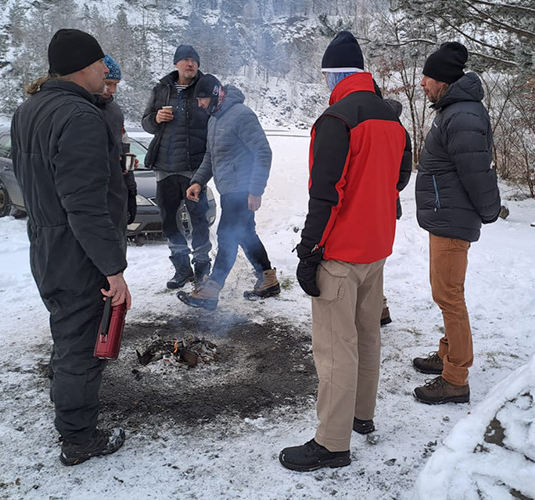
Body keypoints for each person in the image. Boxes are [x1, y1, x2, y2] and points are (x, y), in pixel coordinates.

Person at [279, 31, 411, 472]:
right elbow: (399, 180)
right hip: (377, 249)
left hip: (341, 254)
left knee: (337, 347)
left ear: (333, 74)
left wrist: (309, 251)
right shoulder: (394, 120)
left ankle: (332, 443)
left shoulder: (336, 119)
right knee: (367, 334)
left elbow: (325, 195)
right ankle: (361, 415)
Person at [10, 28, 131, 466]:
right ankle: (79, 438)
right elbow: (85, 206)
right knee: (82, 341)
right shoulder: (79, 118)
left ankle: (67, 404)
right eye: (101, 64)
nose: (106, 71)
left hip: (46, 242)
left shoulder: (29, 109)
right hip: (78, 250)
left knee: (66, 330)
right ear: (83, 66)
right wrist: (114, 270)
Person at [411, 42, 500, 405]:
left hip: (452, 219)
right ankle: (447, 353)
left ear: (444, 80)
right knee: (444, 293)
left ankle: (455, 377)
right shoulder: (454, 110)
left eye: (427, 77)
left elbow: (476, 172)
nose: (422, 84)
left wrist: (489, 210)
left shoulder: (462, 115)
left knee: (449, 297)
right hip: (445, 216)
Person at [176, 74, 280, 311]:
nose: (200, 105)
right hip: (228, 190)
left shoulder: (242, 115)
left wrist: (256, 190)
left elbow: (263, 152)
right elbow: (211, 157)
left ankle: (212, 288)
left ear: (215, 94)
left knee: (227, 236)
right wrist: (198, 182)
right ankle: (268, 279)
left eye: (202, 99)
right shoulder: (214, 120)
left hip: (242, 189)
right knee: (244, 235)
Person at [141, 44, 212, 289]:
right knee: (169, 221)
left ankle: (202, 270)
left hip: (193, 168)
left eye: (194, 60)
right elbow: (146, 123)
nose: (189, 64)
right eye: (185, 60)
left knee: (199, 220)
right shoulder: (161, 89)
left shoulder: (206, 87)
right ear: (176, 64)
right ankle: (182, 269)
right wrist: (156, 119)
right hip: (164, 167)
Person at [380, 98, 413, 327]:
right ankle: (380, 307)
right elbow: (404, 175)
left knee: (370, 261)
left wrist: (385, 191)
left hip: (379, 205)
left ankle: (378, 307)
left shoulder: (386, 132)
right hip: (389, 204)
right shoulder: (401, 132)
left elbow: (401, 176)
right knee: (376, 260)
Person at [95, 54, 137, 227]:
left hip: (117, 191)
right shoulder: (80, 109)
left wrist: (130, 190)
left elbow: (124, 149)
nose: (112, 90)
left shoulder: (115, 110)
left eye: (115, 85)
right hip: (95, 195)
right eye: (108, 83)